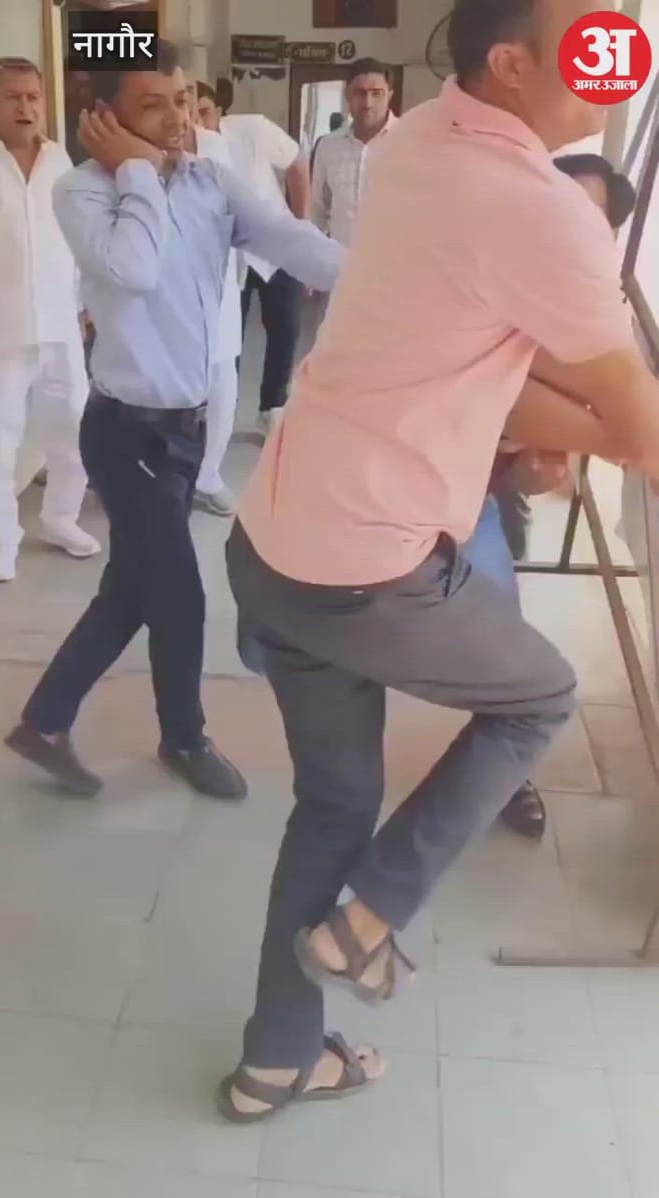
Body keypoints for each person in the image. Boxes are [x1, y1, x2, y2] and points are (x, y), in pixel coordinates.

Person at [219, 0, 659, 1122]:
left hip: (276, 539)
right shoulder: (540, 210)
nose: (609, 57)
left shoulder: (421, 137)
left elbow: (484, 364)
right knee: (537, 695)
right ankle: (370, 916)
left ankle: (276, 1059)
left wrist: (556, 423)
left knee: (332, 804)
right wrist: (585, 429)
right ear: (511, 63)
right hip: (366, 564)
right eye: (585, 41)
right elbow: (639, 427)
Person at [5, 40, 343, 799]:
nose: (178, 117)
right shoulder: (82, 191)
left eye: (183, 99)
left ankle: (45, 721)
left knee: (132, 588)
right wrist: (135, 170)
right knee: (180, 596)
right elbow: (132, 269)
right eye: (153, 105)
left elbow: (293, 241)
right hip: (128, 432)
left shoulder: (209, 181)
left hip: (185, 430)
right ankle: (183, 738)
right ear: (105, 117)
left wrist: (391, 280)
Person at [483, 152, 638, 840]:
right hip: (402, 481)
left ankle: (501, 772)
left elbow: (547, 460)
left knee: (499, 631)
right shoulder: (484, 272)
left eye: (584, 214)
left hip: (484, 490)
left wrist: (548, 454)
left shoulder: (595, 317)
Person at [0, 57, 100, 584]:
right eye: (13, 97)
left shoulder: (61, 161)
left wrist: (83, 303)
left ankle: (60, 519)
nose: (26, 107)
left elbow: (75, 238)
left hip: (60, 322)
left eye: (33, 96)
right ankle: (2, 539)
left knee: (74, 427)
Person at [220, 110, 311, 438]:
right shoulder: (187, 145)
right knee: (228, 338)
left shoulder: (251, 128)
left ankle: (272, 407)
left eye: (204, 110)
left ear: (219, 111)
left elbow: (297, 164)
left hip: (275, 245)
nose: (197, 118)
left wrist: (300, 227)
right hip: (227, 254)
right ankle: (221, 414)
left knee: (286, 328)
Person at [184, 81, 241, 517]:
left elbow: (233, 206)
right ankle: (168, 477)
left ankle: (209, 474)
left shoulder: (215, 146)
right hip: (164, 284)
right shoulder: (135, 145)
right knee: (170, 386)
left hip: (218, 278)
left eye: (186, 94)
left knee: (223, 378)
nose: (182, 104)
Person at [312, 58, 396, 247]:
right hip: (339, 260)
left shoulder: (410, 143)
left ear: (389, 96)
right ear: (347, 96)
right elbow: (317, 210)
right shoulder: (328, 146)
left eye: (376, 93)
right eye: (359, 93)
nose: (367, 103)